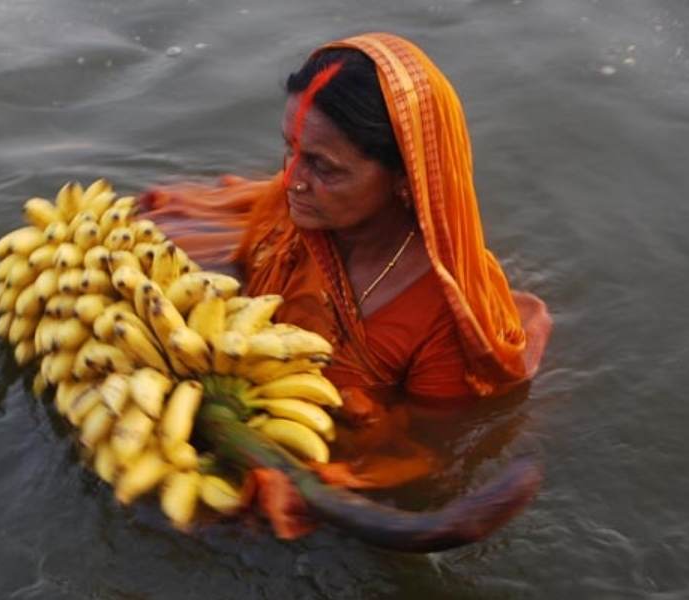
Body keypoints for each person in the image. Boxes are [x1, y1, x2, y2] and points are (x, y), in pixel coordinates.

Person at [138, 33, 551, 536]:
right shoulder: (289, 212)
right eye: (290, 150)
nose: (290, 180)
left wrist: (323, 474)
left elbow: (430, 452)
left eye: (323, 167)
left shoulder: (446, 320)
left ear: (405, 178)